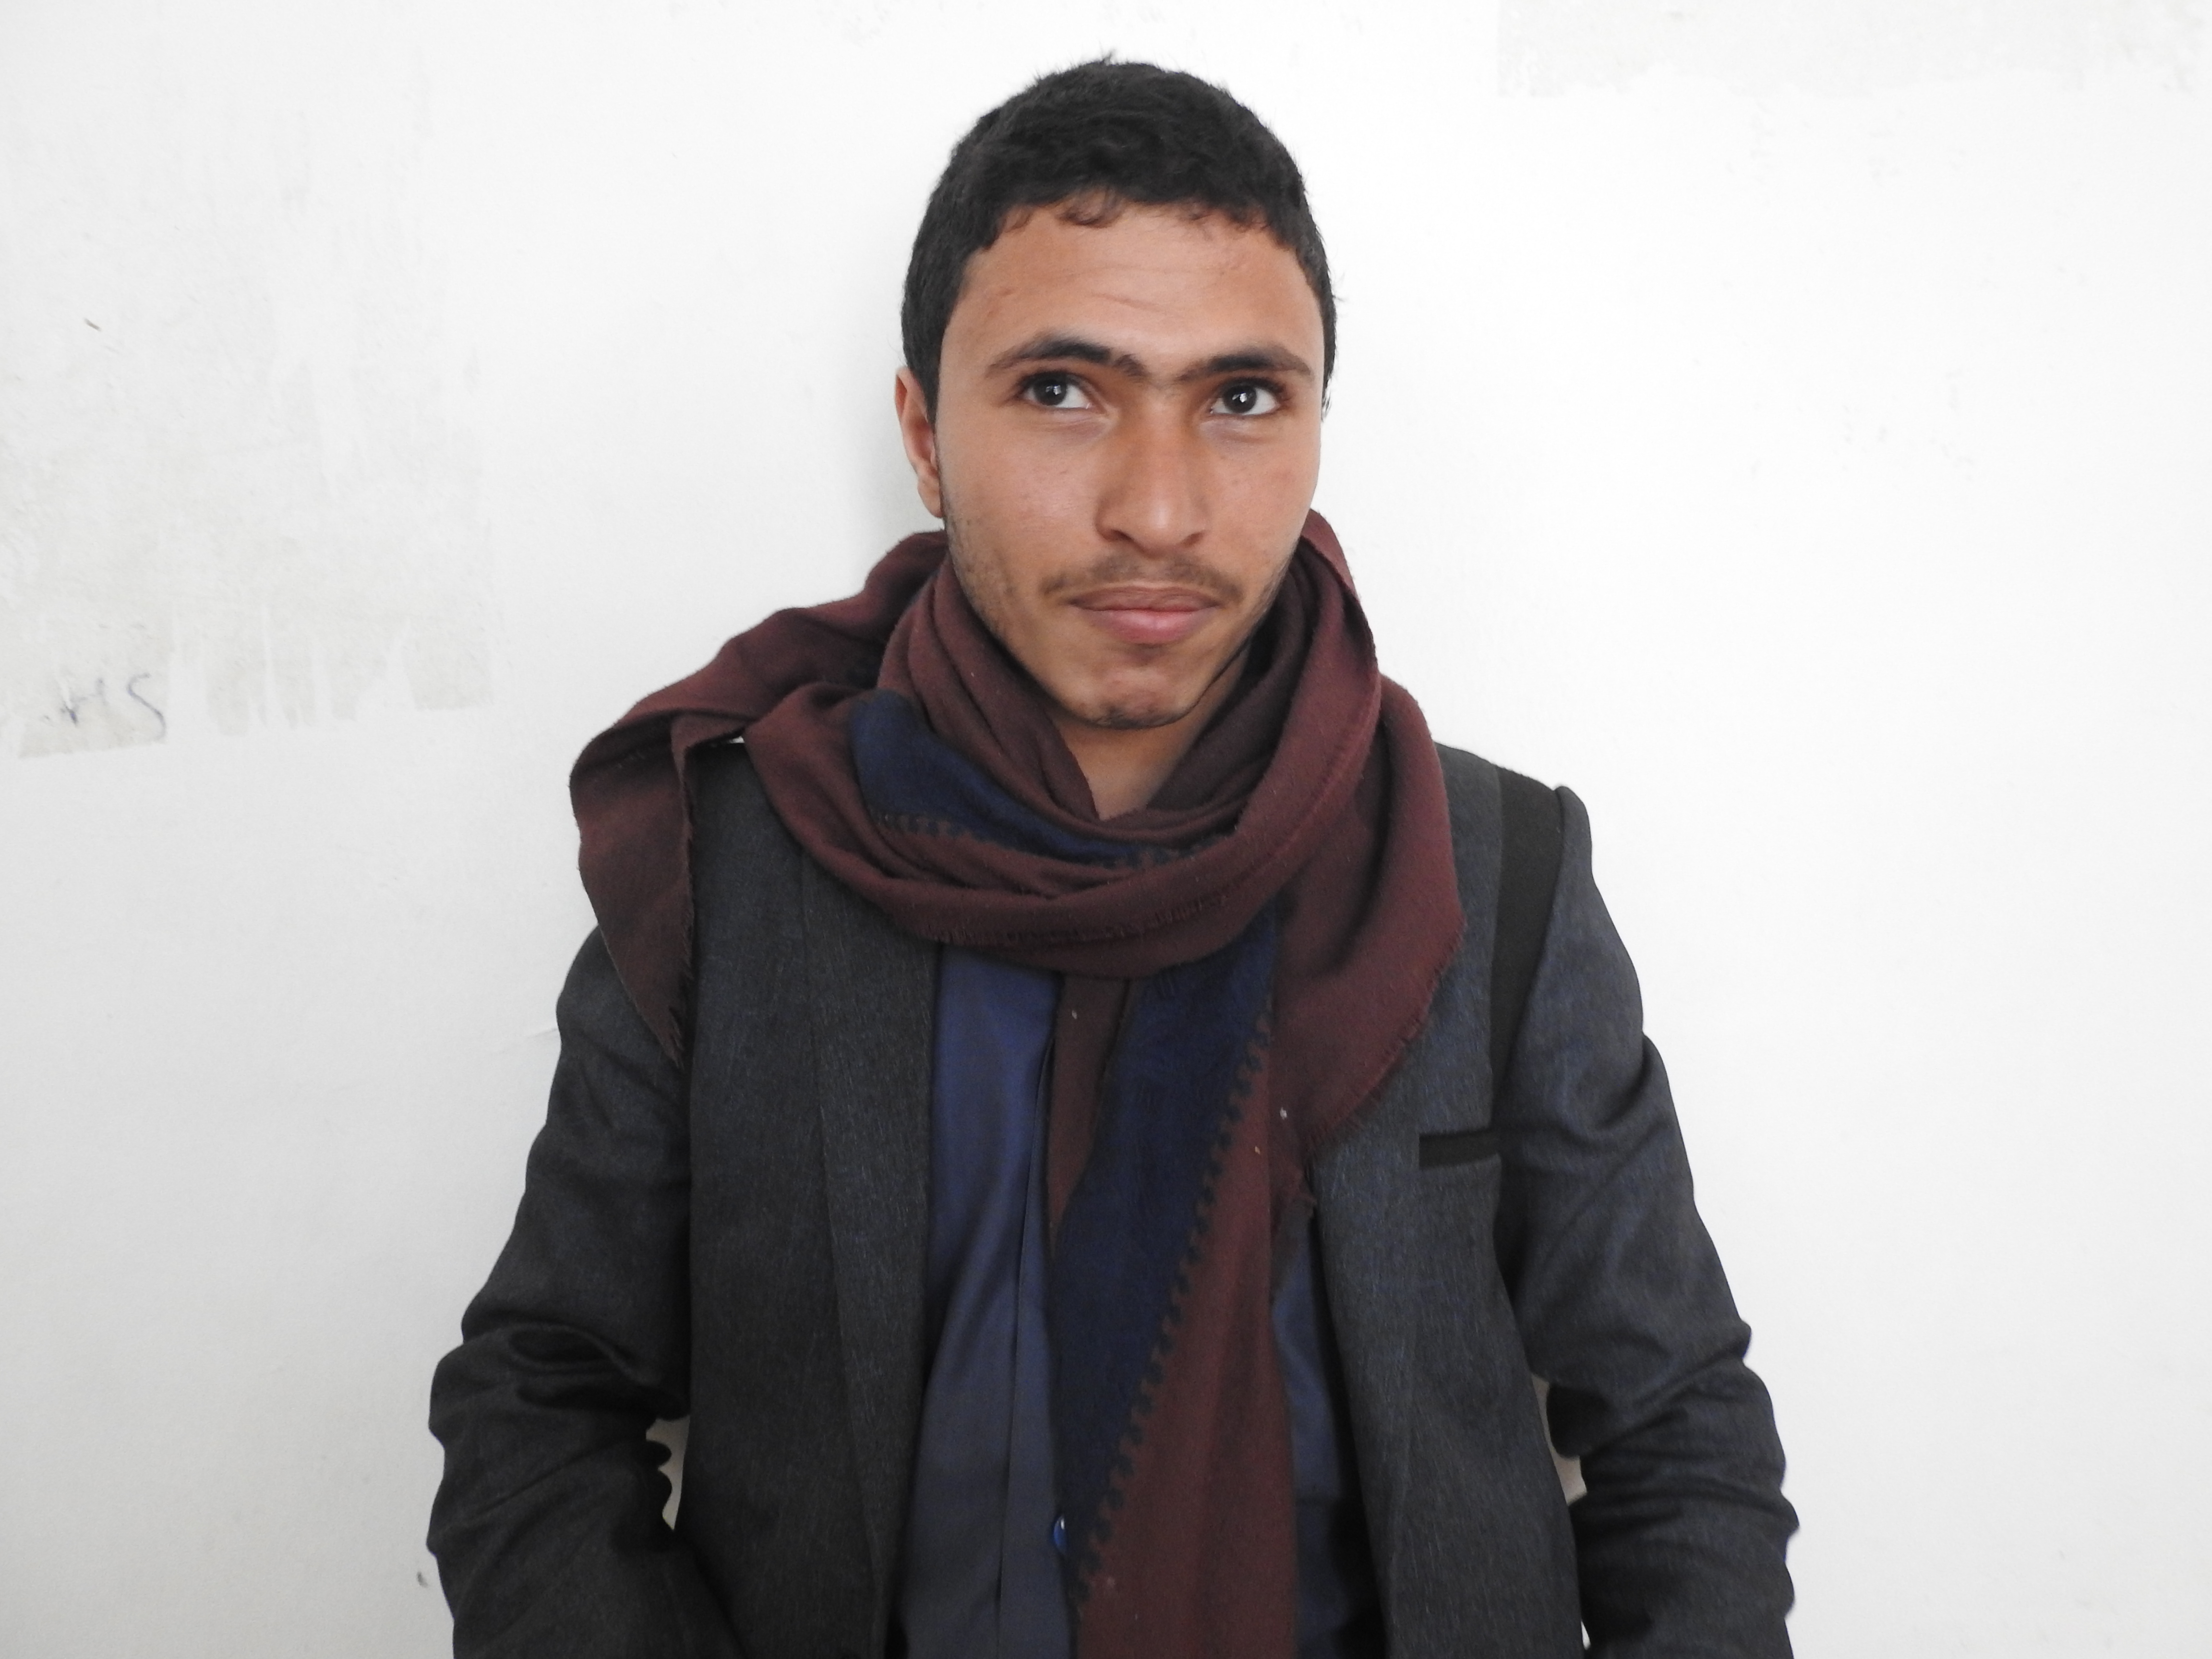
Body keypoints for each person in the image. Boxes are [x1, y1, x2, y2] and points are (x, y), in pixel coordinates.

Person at [427, 59, 1796, 1659]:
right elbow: (541, 1396)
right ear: (924, 435)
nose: (1159, 510)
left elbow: (1675, 1422)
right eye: (1064, 391)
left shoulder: (1488, 869)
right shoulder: (737, 871)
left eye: (1242, 399)